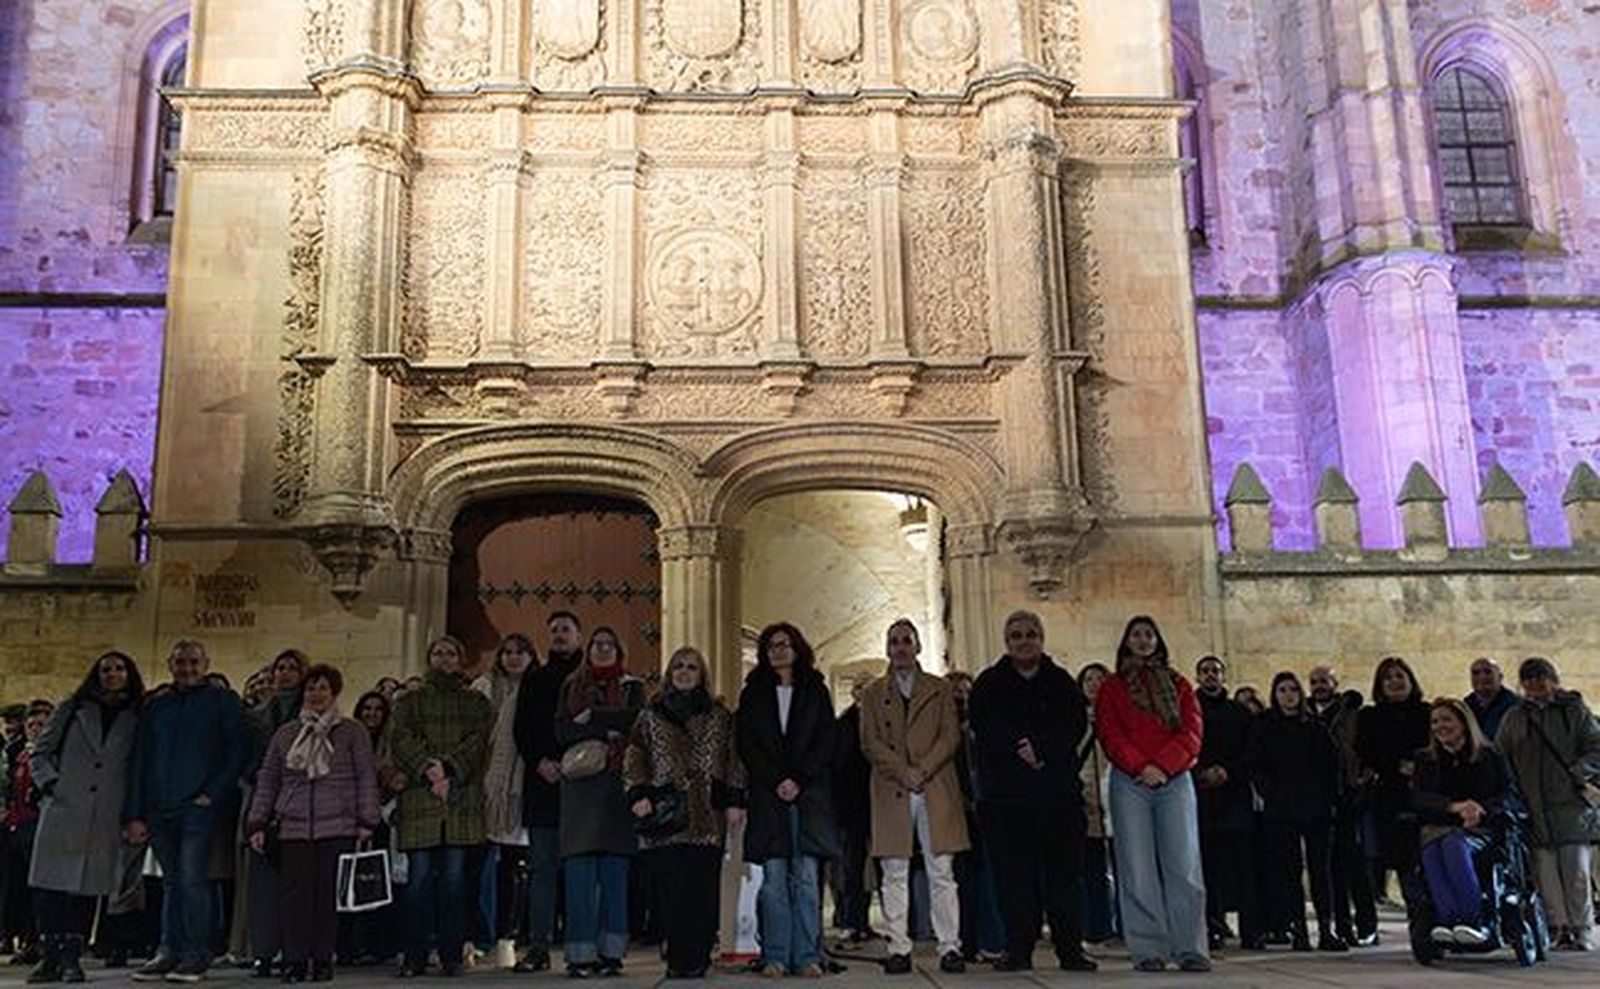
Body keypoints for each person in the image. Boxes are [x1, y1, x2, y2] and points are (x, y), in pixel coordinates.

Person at [968, 610, 1097, 973]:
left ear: (1041, 639)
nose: (1024, 641)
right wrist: (1018, 748)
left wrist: (1041, 750)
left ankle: (1070, 949)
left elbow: (1072, 725)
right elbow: (984, 725)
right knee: (1013, 878)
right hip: (1006, 798)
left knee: (1064, 878)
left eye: (1030, 634)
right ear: (1007, 642)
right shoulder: (989, 684)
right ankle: (1018, 949)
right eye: (1016, 636)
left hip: (1055, 795)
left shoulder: (1061, 682)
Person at [124, 640, 249, 983]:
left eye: (194, 662)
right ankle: (169, 950)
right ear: (170, 664)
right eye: (180, 662)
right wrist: (135, 813)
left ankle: (195, 954)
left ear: (206, 664)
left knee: (194, 880)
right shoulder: (157, 707)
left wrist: (213, 792)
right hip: (158, 808)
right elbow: (140, 760)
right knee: (172, 882)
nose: (187, 668)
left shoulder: (223, 702)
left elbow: (238, 749)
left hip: (198, 807)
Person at [246, 664, 380, 982]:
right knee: (294, 896)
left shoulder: (352, 731)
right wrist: (257, 821)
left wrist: (367, 819)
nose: (316, 694)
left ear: (334, 693)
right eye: (310, 688)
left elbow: (365, 776)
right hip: (293, 825)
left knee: (325, 896)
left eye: (322, 688)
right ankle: (294, 959)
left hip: (337, 824)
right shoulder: (287, 734)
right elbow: (269, 779)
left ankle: (322, 958)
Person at [623, 646, 746, 978]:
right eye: (678, 666)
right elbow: (635, 756)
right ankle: (678, 958)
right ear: (669, 673)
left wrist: (735, 800)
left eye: (692, 667)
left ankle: (698, 957)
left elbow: (734, 759)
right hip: (666, 814)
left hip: (707, 813)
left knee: (703, 891)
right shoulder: (651, 714)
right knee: (672, 892)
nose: (684, 672)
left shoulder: (721, 716)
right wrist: (638, 793)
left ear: (701, 674)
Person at [1094, 615, 1207, 972]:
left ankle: (1189, 947)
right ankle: (1149, 950)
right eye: (1136, 635)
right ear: (1126, 642)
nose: (1143, 640)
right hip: (1131, 782)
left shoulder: (1180, 684)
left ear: (1158, 641)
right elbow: (1109, 733)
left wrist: (1164, 766)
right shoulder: (1113, 687)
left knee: (1183, 864)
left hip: (1175, 779)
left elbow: (1192, 732)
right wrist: (1142, 767)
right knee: (1137, 866)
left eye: (1149, 634)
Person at [25, 653, 145, 984]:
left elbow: (136, 766)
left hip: (106, 810)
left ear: (129, 674)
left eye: (119, 669)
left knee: (87, 886)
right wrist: (50, 782)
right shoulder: (74, 708)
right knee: (50, 885)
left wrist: (133, 811)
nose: (112, 675)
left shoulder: (136, 715)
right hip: (66, 805)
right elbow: (41, 750)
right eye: (106, 669)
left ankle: (71, 956)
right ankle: (49, 953)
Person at [858, 620, 967, 975]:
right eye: (894, 642)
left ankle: (950, 946)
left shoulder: (939, 689)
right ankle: (898, 947)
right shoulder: (874, 694)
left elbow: (950, 736)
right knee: (894, 872)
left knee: (941, 871)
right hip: (894, 787)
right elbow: (870, 742)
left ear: (918, 647)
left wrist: (922, 769)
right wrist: (903, 771)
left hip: (933, 785)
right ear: (887, 649)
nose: (901, 648)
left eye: (907, 641)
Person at [736, 623, 838, 979]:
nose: (779, 651)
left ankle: (807, 955)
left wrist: (799, 778)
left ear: (798, 648)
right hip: (769, 795)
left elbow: (826, 740)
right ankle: (776, 956)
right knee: (775, 879)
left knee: (807, 878)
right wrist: (777, 779)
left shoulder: (816, 690)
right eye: (772, 646)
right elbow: (747, 743)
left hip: (809, 796)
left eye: (785, 644)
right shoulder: (752, 694)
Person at [389, 635, 492, 978]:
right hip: (421, 797)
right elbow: (401, 737)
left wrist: (449, 769)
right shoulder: (410, 700)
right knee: (417, 882)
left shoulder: (475, 701)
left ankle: (451, 954)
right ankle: (414, 955)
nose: (444, 658)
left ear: (461, 660)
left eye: (451, 653)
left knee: (454, 881)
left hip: (458, 798)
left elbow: (479, 741)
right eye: (438, 652)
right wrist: (428, 768)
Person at [555, 627, 645, 978]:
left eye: (609, 644)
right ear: (588, 649)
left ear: (618, 649)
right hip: (580, 789)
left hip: (616, 787)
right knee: (579, 873)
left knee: (614, 874)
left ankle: (611, 954)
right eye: (597, 644)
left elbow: (635, 724)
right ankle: (579, 955)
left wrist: (591, 718)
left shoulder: (631, 686)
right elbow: (562, 731)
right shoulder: (570, 686)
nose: (602, 649)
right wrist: (604, 727)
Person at [1495, 657, 1600, 951]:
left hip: (1569, 803)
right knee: (1545, 873)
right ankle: (1557, 927)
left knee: (1576, 870)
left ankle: (1582, 928)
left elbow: (1595, 746)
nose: (1535, 685)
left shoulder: (1574, 711)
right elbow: (1501, 755)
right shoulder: (1515, 716)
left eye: (1540, 678)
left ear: (1553, 679)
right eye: (1528, 679)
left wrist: (1579, 773)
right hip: (1532, 804)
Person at [510, 611, 586, 973]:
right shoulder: (535, 677)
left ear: (579, 636)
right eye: (553, 630)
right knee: (542, 868)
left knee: (580, 869)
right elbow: (522, 726)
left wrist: (573, 763)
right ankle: (538, 947)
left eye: (566, 630)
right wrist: (540, 760)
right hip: (543, 784)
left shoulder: (590, 676)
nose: (559, 635)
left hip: (582, 785)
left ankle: (580, 948)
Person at [1410, 698, 1517, 947]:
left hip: (1481, 829)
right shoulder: (1426, 759)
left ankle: (1473, 919)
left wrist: (1479, 809)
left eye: (1447, 719)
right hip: (1438, 826)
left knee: (1452, 845)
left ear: (1463, 722)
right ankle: (1448, 921)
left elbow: (1507, 794)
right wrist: (1454, 806)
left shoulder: (1489, 755)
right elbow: (1419, 797)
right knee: (1433, 849)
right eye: (1435, 721)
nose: (1440, 726)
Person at [1250, 672, 1343, 952]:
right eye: (1282, 690)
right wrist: (1270, 793)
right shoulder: (1265, 727)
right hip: (1281, 808)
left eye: (1293, 689)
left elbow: (1331, 764)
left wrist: (1330, 799)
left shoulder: (1314, 727)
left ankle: (1326, 929)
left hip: (1316, 807)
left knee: (1320, 870)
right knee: (1289, 872)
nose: (1288, 695)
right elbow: (1257, 764)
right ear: (1274, 694)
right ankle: (1299, 929)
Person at [243, 650, 308, 977]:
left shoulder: (312, 716)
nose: (285, 674)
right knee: (262, 882)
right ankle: (263, 949)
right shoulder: (257, 715)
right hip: (263, 800)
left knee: (296, 881)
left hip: (300, 802)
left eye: (292, 668)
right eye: (279, 667)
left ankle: (292, 946)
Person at [473, 634, 535, 969]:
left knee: (514, 869)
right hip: (484, 785)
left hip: (519, 787)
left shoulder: (536, 687)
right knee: (476, 865)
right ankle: (475, 935)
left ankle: (507, 938)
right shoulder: (483, 688)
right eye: (507, 652)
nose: (513, 658)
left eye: (520, 652)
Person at [1307, 665, 1378, 947]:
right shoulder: (1307, 714)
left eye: (1324, 680)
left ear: (1335, 682)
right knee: (1330, 866)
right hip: (1319, 797)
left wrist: (1361, 780)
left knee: (1356, 864)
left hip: (1349, 794)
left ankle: (1366, 925)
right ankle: (1341, 926)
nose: (1319, 685)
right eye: (1314, 681)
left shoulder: (1352, 713)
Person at [1193, 655, 1256, 952]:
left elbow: (1252, 751)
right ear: (1197, 676)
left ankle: (1251, 930)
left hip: (1234, 797)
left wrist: (1227, 771)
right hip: (1201, 796)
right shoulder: (1188, 710)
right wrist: (1202, 772)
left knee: (1243, 865)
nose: (1210, 676)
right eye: (1205, 671)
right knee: (1208, 867)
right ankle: (1212, 926)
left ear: (1223, 676)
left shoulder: (1239, 713)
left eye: (1215, 671)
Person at [1355, 656, 1431, 902]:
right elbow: (1365, 751)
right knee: (1396, 858)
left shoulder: (1427, 712)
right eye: (1388, 677)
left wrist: (1418, 767)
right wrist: (1397, 766)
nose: (1395, 682)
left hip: (1425, 792)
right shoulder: (1370, 716)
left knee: (1424, 858)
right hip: (1388, 795)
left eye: (1400, 676)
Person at [945, 671, 1003, 964]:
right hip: (955, 811)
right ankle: (966, 942)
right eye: (955, 692)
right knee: (960, 879)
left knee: (988, 876)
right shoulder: (943, 732)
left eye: (966, 691)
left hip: (986, 809)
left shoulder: (983, 728)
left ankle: (991, 939)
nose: (961, 697)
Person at [336, 692, 395, 966]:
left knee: (377, 885)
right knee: (347, 884)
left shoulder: (390, 745)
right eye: (367, 708)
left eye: (378, 709)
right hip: (349, 819)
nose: (372, 714)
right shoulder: (346, 739)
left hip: (382, 820)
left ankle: (377, 944)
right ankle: (346, 945)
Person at [4, 702, 51, 968]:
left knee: (40, 889)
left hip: (40, 825)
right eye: (32, 725)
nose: (35, 729)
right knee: (21, 887)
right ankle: (28, 939)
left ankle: (43, 940)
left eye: (42, 724)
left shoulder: (52, 754)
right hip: (18, 826)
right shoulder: (21, 754)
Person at [828, 678, 873, 946]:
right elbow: (840, 767)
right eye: (861, 689)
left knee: (877, 866)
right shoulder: (844, 725)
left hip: (878, 802)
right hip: (853, 805)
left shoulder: (882, 720)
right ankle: (850, 919)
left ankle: (862, 921)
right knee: (851, 865)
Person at [1076, 662, 1118, 945]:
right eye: (1088, 679)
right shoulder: (1075, 718)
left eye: (1099, 678)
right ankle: (1097, 927)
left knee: (1126, 865)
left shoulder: (1119, 715)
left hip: (1116, 792)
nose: (1093, 684)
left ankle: (1128, 926)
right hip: (1086, 795)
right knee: (1091, 869)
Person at [1466, 658, 1518, 743]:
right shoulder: (1466, 706)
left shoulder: (1516, 706)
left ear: (1500, 677)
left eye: (1488, 672)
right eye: (1476, 673)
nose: (1482, 677)